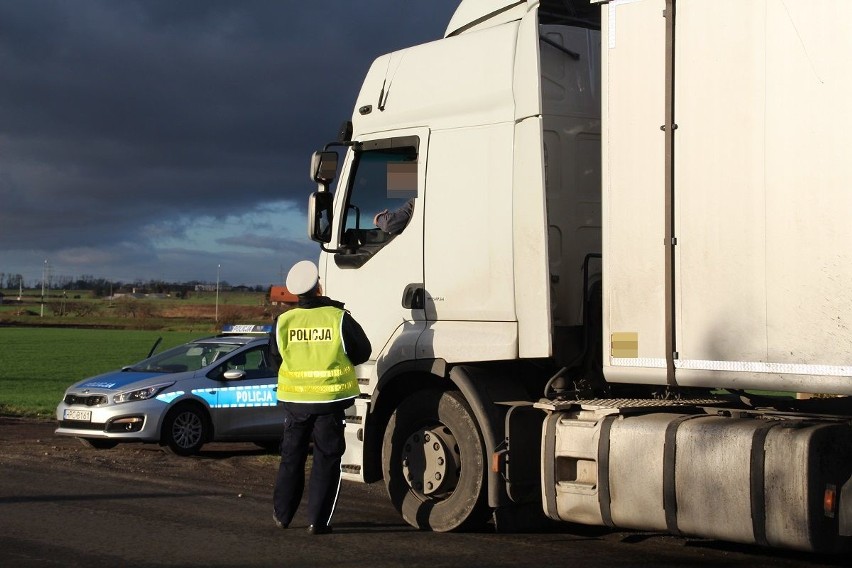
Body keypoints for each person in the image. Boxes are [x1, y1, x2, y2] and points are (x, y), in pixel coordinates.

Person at [269, 260, 371, 535]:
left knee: (291, 457)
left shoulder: (283, 322)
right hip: (329, 402)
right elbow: (363, 351)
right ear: (318, 287)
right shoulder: (337, 317)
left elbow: (273, 360)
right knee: (326, 459)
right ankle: (317, 521)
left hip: (295, 403)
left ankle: (283, 515)